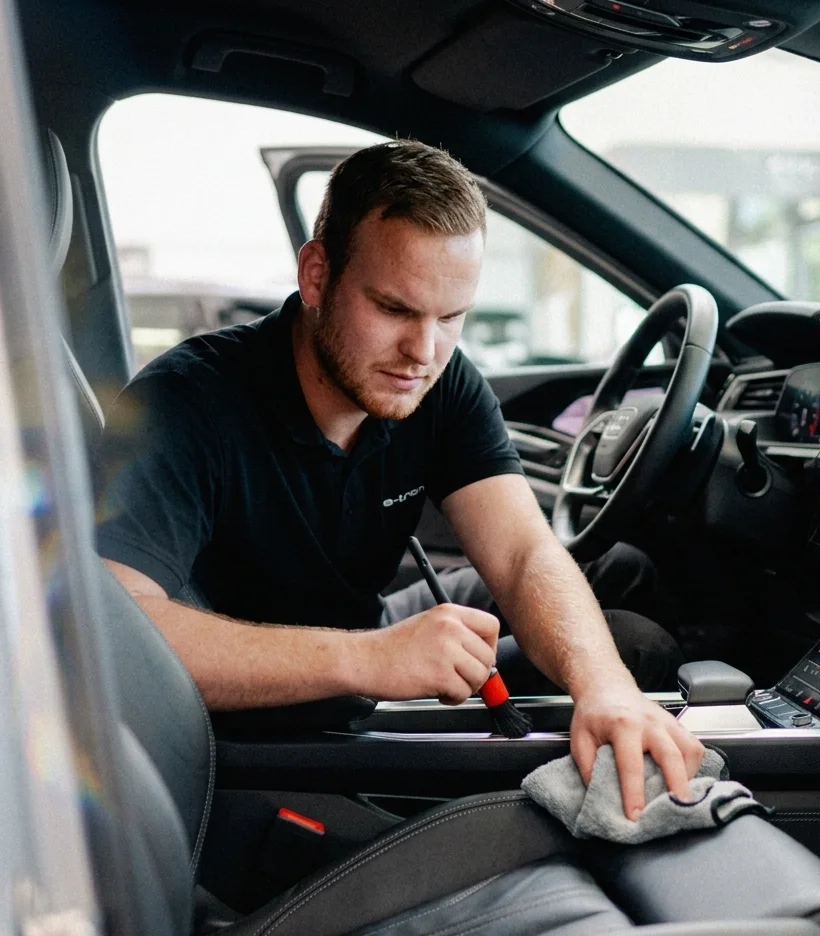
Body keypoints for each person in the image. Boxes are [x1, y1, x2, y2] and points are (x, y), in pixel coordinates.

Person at [95, 140, 703, 814]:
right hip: (261, 742)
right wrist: (370, 659)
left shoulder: (439, 382)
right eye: (394, 310)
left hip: (363, 636)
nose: (424, 351)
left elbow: (525, 552)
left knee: (621, 606)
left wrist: (605, 686)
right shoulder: (183, 405)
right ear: (317, 275)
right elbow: (117, 631)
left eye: (451, 318)